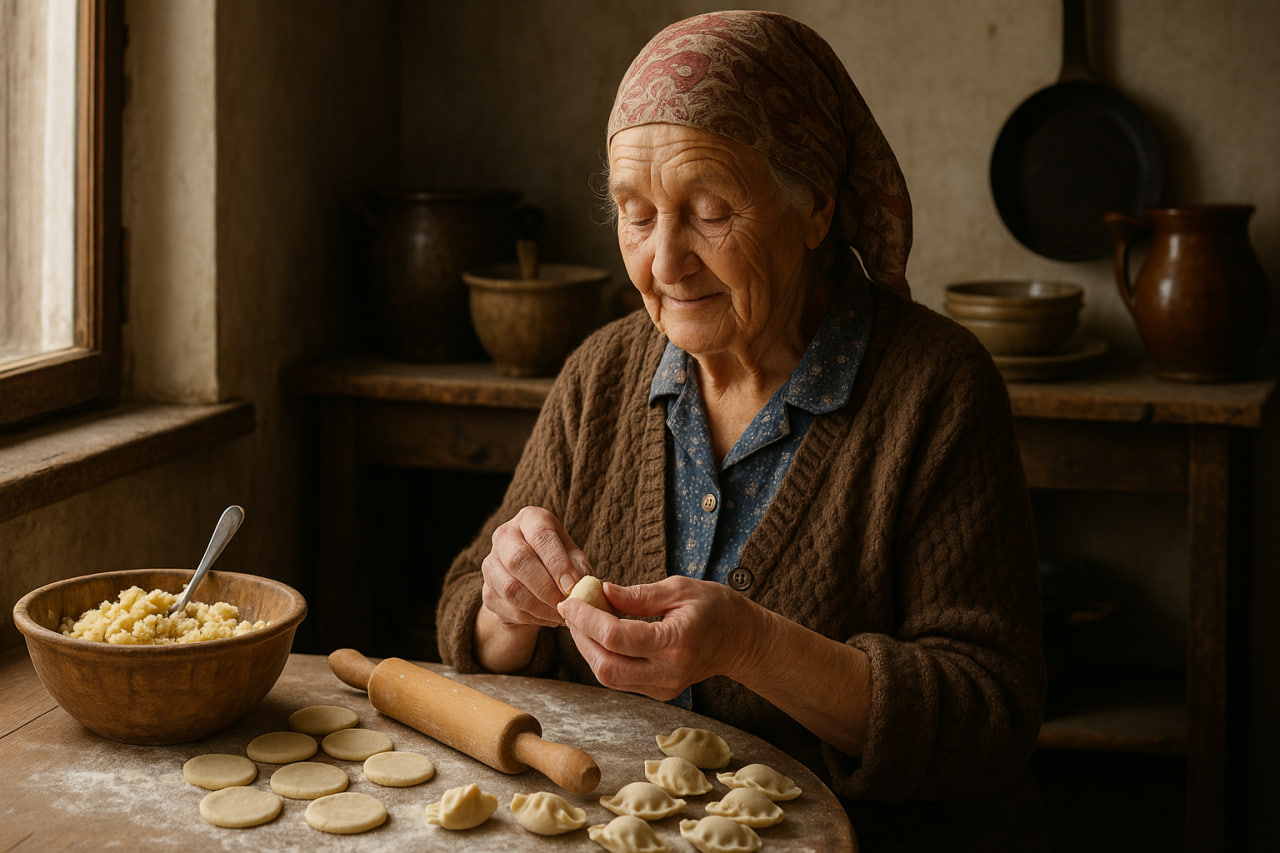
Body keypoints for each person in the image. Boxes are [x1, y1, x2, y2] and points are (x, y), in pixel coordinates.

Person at [437, 10, 1045, 850]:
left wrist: (754, 644)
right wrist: (506, 605)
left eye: (710, 209)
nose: (665, 261)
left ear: (815, 209)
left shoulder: (935, 391)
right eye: (636, 213)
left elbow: (989, 711)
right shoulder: (602, 374)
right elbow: (467, 608)